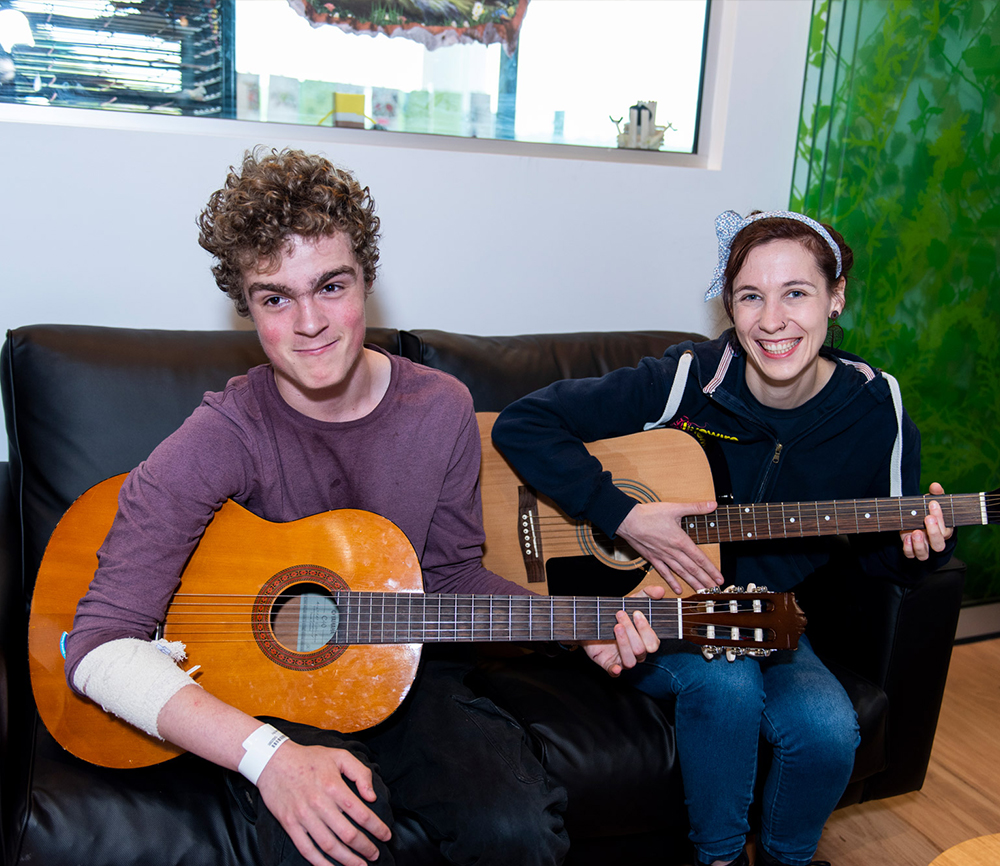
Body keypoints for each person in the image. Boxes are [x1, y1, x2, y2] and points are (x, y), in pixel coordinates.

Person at [63, 146, 660, 866]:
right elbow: (98, 647)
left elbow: (446, 578)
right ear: (246, 306)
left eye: (330, 285)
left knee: (517, 830)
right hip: (274, 699)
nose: (310, 322)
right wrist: (269, 758)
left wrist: (580, 626)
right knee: (318, 842)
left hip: (410, 674)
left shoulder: (441, 408)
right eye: (275, 298)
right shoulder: (225, 433)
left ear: (367, 280)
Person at [490, 209, 957, 866]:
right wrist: (622, 515)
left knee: (827, 730)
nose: (772, 320)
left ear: (837, 295)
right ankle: (719, 859)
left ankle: (788, 860)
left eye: (796, 292)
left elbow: (885, 558)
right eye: (750, 296)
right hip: (654, 606)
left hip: (769, 616)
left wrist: (921, 547)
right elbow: (522, 425)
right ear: (729, 306)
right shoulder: (689, 377)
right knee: (728, 682)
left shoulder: (877, 403)